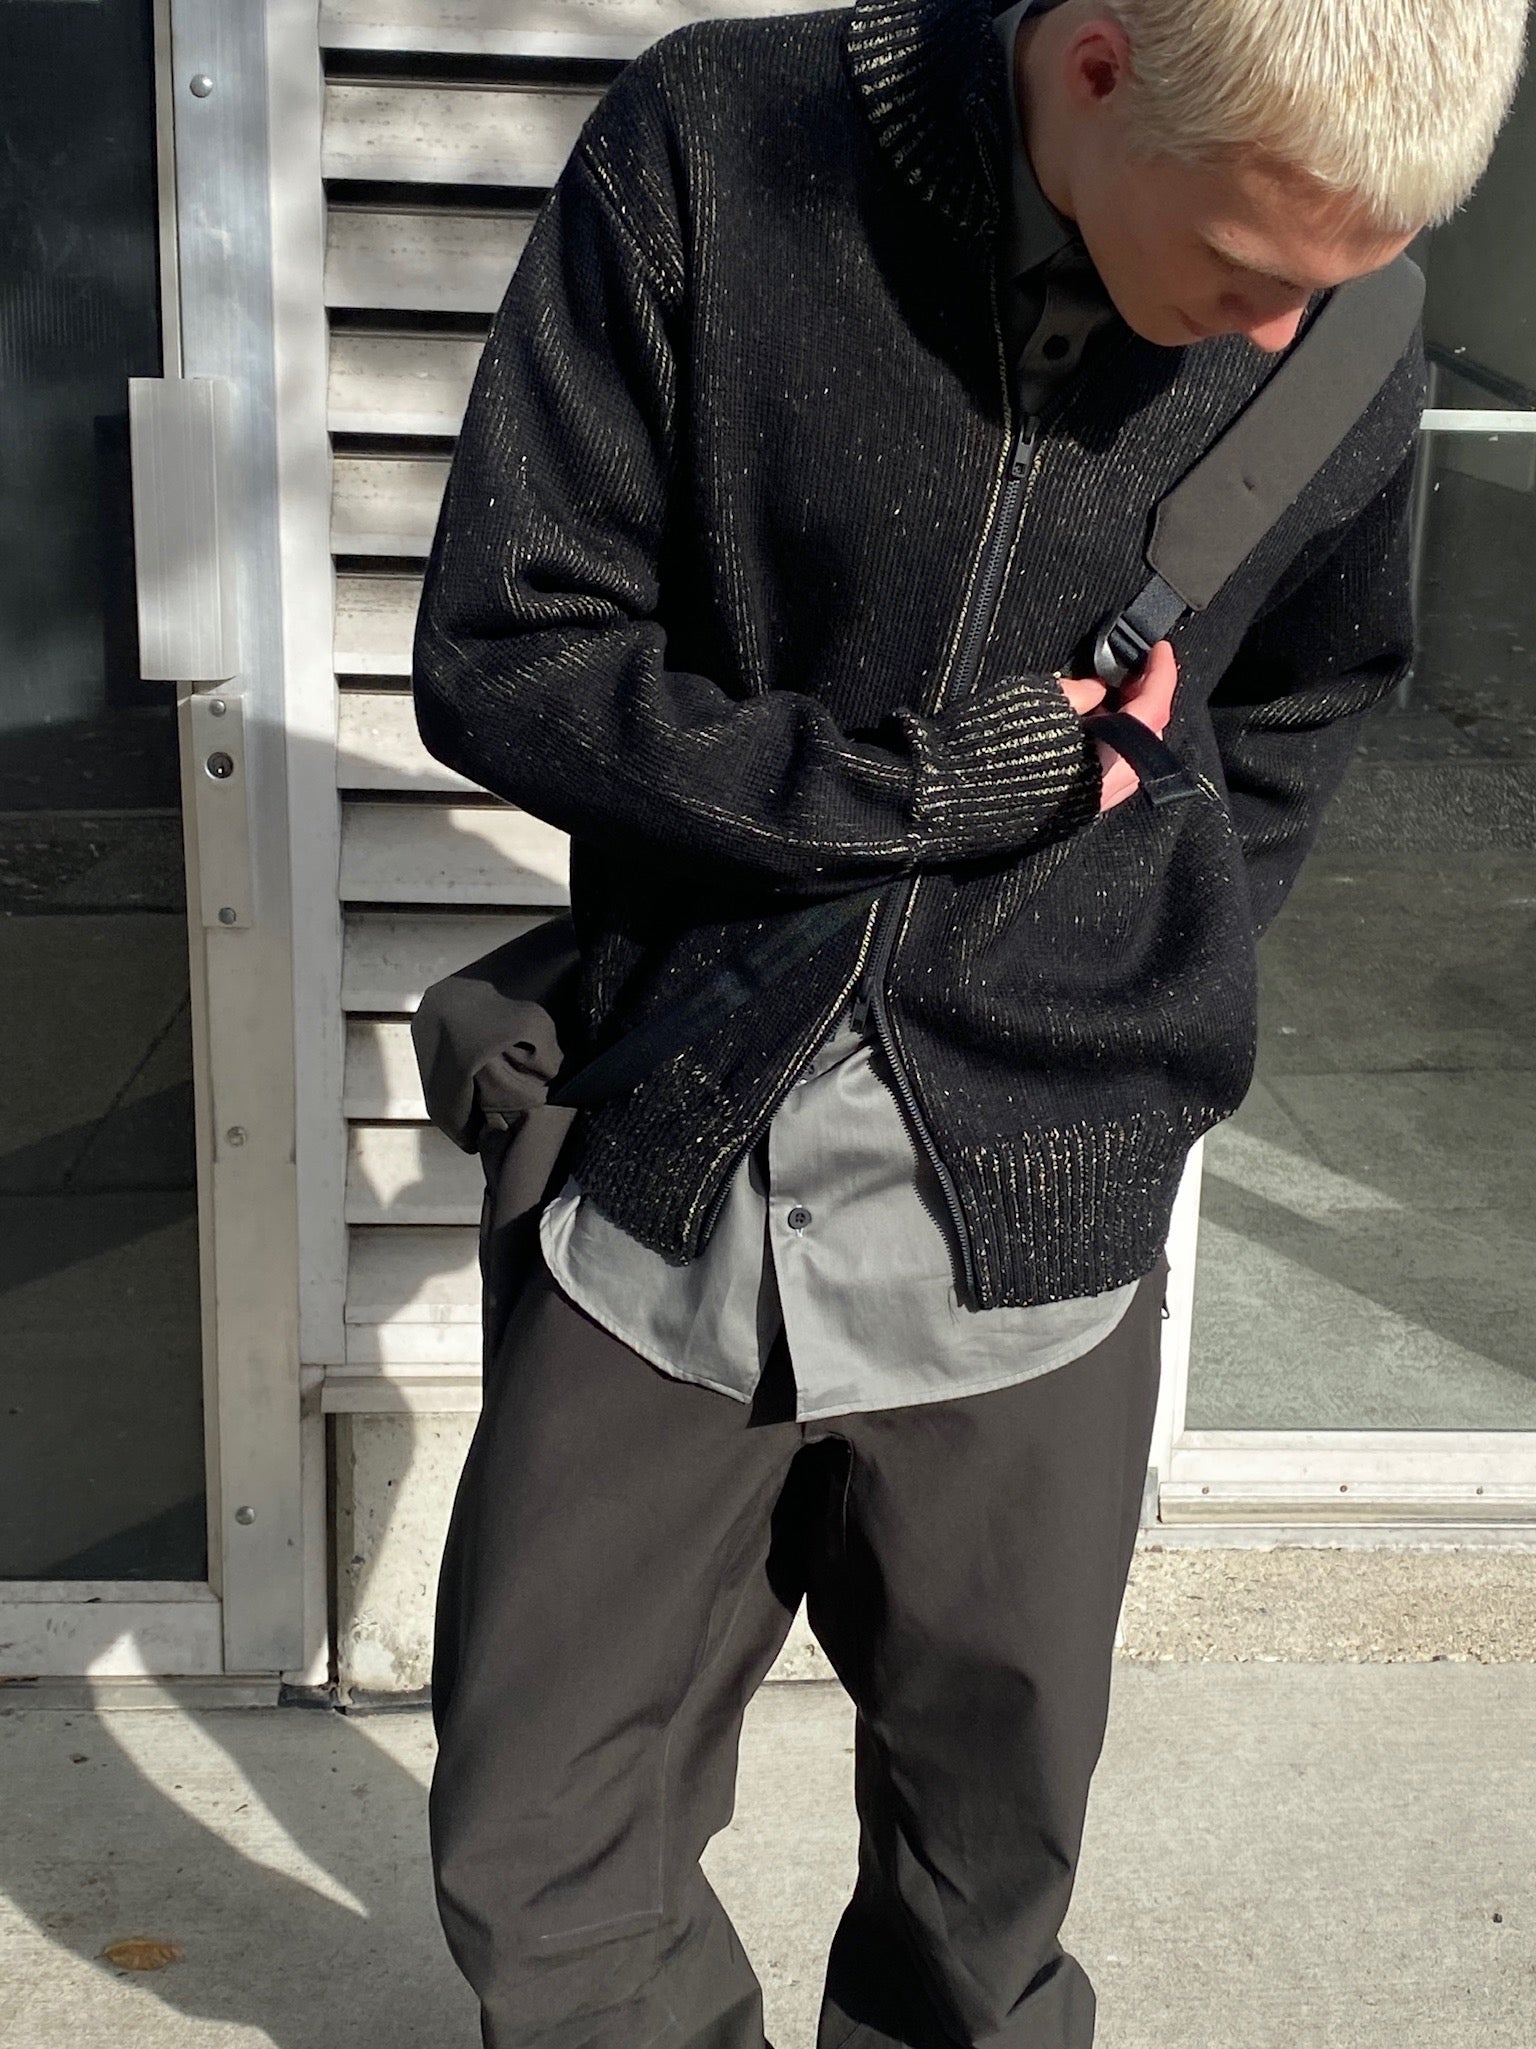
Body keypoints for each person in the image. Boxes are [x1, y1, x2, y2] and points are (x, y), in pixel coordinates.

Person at [412, 1, 1527, 2043]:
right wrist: (913, 792)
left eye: (1346, 281)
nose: (1290, 334)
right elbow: (507, 650)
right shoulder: (714, 147)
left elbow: (1305, 702)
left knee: (985, 1877)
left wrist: (1144, 986)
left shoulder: (1345, 323)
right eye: (1249, 269)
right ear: (1098, 65)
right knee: (540, 1836)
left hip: (1047, 1207)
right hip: (679, 1147)